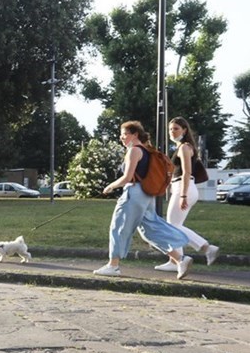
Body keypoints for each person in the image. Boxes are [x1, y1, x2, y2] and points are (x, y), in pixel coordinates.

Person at [94, 120, 192, 279]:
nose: (122, 138)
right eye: (121, 135)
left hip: (133, 193)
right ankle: (181, 259)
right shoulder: (146, 150)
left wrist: (110, 187)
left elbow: (127, 177)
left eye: (125, 134)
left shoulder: (134, 151)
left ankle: (113, 266)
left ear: (135, 134)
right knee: (151, 231)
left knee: (118, 227)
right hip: (147, 195)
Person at [154, 117, 219, 271]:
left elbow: (186, 172)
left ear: (184, 130)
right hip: (182, 188)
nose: (172, 132)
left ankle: (206, 248)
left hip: (185, 188)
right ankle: (175, 261)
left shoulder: (184, 147)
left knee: (172, 225)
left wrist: (182, 195)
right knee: (174, 226)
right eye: (170, 129)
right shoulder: (180, 147)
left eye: (176, 128)